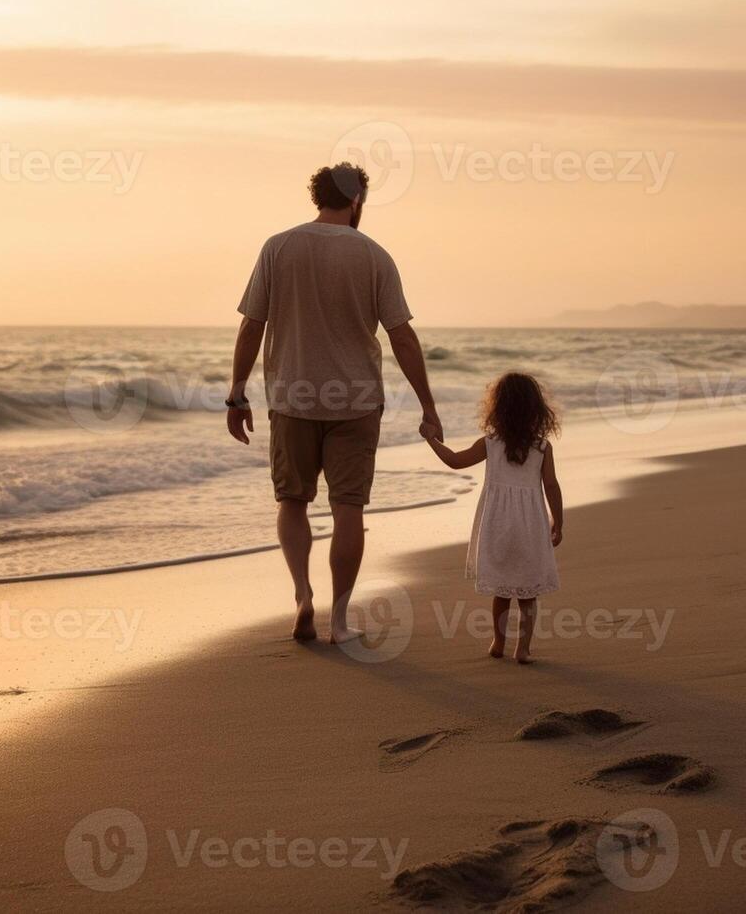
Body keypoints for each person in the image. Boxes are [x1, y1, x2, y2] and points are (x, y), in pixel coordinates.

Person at [225, 163, 442, 645]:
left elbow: (250, 326)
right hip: (357, 401)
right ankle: (339, 620)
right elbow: (402, 336)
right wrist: (428, 404)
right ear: (358, 200)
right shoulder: (374, 255)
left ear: (317, 197)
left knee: (292, 501)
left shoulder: (278, 247)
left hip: (291, 398)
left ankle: (303, 595)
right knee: (348, 508)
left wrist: (237, 393)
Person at [419, 373, 563, 664]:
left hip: (497, 524)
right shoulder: (542, 448)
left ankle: (498, 641)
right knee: (527, 593)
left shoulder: (490, 443)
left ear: (498, 407)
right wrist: (558, 521)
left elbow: (456, 461)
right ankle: (522, 648)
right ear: (536, 409)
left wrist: (431, 439)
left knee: (501, 591)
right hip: (530, 525)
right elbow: (551, 486)